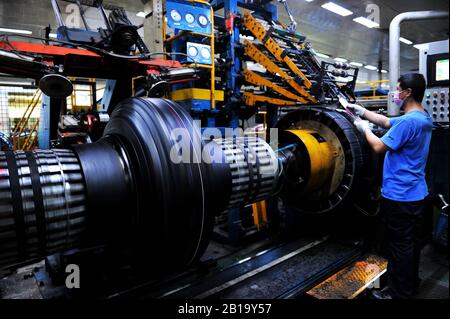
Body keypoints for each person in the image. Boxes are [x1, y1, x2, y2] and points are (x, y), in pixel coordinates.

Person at [348, 73, 432, 299]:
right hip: (416, 194)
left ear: (408, 92)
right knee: (410, 245)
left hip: (399, 196)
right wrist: (361, 112)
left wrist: (363, 128)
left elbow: (377, 146)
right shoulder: (423, 117)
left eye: (397, 89)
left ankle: (398, 294)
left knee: (399, 248)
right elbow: (386, 122)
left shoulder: (408, 122)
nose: (394, 93)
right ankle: (409, 285)